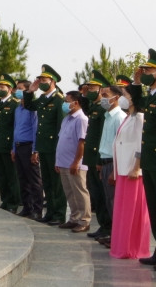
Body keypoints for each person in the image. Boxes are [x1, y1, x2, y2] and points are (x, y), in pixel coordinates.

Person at [129, 49, 156, 267]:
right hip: (150, 164)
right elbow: (138, 103)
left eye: (148, 70)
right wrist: (136, 83)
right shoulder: (154, 98)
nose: (143, 72)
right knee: (155, 209)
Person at [23, 64, 67, 226]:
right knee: (47, 181)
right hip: (43, 146)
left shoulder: (59, 100)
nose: (41, 82)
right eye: (39, 79)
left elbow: (60, 127)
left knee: (56, 183)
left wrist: (58, 150)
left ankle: (59, 214)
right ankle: (50, 212)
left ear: (53, 81)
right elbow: (28, 106)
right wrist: (30, 92)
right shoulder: (42, 99)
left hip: (54, 147)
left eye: (44, 79)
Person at [110, 87, 150, 260]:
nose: (123, 98)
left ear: (133, 98)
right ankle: (122, 245)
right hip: (122, 169)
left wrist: (137, 167)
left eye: (125, 95)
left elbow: (141, 144)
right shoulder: (128, 117)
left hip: (133, 171)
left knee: (133, 212)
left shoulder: (139, 117)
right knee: (123, 211)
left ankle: (133, 247)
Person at [80, 71, 111, 240]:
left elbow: (102, 137)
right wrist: (84, 95)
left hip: (98, 158)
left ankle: (108, 227)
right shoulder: (93, 107)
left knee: (102, 195)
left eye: (93, 88)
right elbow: (86, 108)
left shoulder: (103, 108)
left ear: (101, 90)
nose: (90, 90)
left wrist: (99, 160)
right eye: (89, 88)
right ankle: (102, 225)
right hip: (91, 158)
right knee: (96, 195)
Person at [55, 90, 91, 233]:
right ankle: (74, 218)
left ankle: (84, 220)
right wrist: (58, 161)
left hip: (75, 163)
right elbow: (62, 140)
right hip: (63, 162)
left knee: (80, 192)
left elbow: (81, 142)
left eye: (66, 101)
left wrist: (76, 162)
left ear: (75, 103)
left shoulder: (81, 119)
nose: (64, 104)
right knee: (70, 192)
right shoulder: (66, 118)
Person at [94, 84, 125, 246]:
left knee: (115, 203)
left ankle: (118, 238)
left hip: (114, 164)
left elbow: (120, 145)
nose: (103, 98)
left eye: (106, 95)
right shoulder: (107, 117)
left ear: (117, 97)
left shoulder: (119, 117)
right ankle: (114, 235)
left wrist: (115, 169)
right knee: (108, 202)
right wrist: (101, 164)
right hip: (106, 163)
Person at [0, 74, 21, 213]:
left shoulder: (15, 104)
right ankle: (5, 200)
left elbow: (16, 127)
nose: (0, 89)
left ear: (10, 89)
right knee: (1, 175)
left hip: (8, 146)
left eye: (3, 87)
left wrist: (14, 147)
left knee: (11, 176)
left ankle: (13, 202)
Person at [12, 79, 42, 219]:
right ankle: (27, 207)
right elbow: (16, 129)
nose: (16, 91)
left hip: (28, 146)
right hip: (18, 147)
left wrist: (35, 151)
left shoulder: (32, 109)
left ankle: (37, 210)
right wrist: (13, 148)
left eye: (20, 88)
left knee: (33, 180)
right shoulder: (18, 109)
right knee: (22, 179)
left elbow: (36, 130)